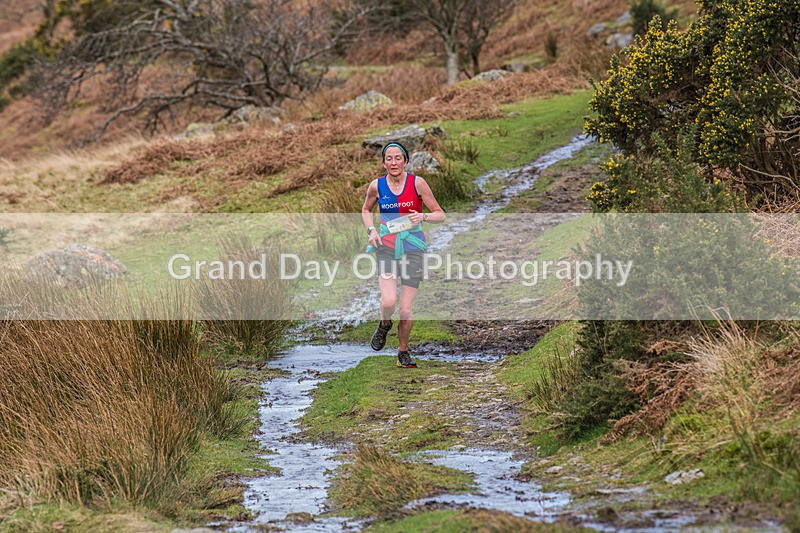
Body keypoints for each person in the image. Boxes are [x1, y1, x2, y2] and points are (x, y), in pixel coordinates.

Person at [361, 141, 445, 368]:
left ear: (406, 161)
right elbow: (366, 209)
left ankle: (403, 352)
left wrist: (423, 217)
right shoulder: (376, 186)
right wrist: (371, 231)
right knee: (389, 300)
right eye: (389, 158)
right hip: (386, 248)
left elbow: (440, 214)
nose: (393, 162)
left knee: (406, 309)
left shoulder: (418, 183)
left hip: (413, 248)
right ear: (383, 162)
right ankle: (384, 324)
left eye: (398, 158)